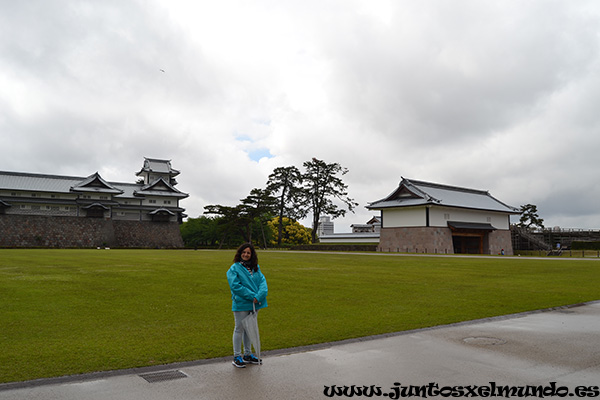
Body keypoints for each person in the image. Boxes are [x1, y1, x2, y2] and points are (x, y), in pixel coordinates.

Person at [226, 243, 268, 368]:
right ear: (240, 253)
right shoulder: (234, 268)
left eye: (248, 253)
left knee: (250, 329)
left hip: (255, 303)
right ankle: (237, 356)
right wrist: (252, 296)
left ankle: (248, 354)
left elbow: (262, 283)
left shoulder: (256, 268)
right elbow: (235, 286)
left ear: (252, 255)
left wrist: (258, 296)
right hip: (242, 303)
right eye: (243, 252)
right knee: (239, 328)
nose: (245, 254)